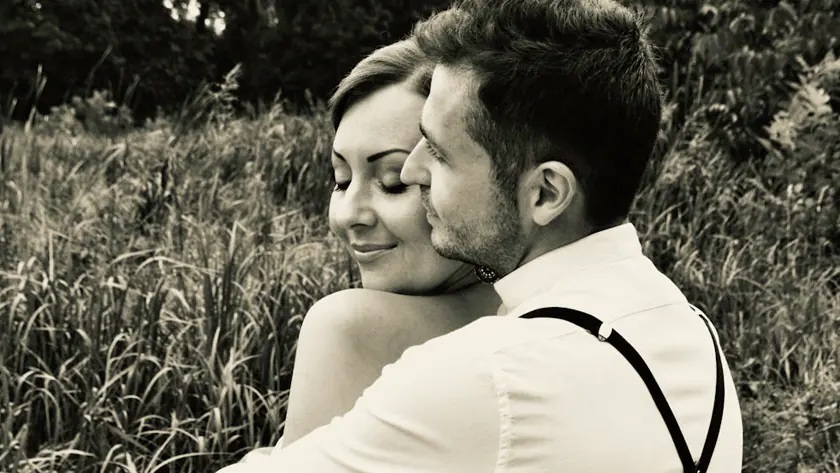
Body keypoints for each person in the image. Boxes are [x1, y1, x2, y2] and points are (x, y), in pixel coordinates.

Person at [220, 0, 744, 471]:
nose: (415, 172)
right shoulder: (698, 338)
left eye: (439, 153)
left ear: (545, 193)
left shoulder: (485, 378)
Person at [225, 37, 501, 467]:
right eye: (340, 180)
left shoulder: (349, 327)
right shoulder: (548, 310)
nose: (347, 215)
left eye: (393, 181)